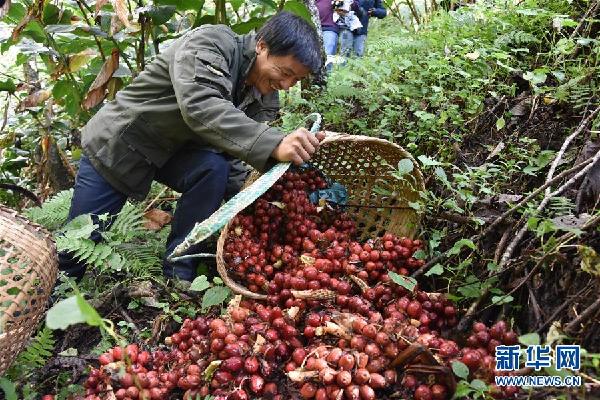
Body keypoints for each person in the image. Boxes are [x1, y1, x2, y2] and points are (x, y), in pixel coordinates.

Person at [58, 11, 325, 282]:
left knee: (213, 169)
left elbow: (233, 149)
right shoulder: (211, 44)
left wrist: (256, 196)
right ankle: (50, 301)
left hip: (174, 150)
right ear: (262, 46)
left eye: (296, 80)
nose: (286, 84)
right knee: (79, 242)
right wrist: (274, 143)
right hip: (122, 142)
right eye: (285, 72)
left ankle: (179, 272)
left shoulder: (264, 97)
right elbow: (200, 106)